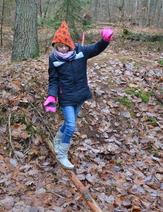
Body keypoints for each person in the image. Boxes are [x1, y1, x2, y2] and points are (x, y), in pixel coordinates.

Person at [43, 21, 113, 169]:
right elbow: (54, 80)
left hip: (80, 95)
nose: (61, 49)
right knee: (70, 126)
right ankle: (62, 154)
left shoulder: (80, 51)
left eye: (63, 46)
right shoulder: (54, 59)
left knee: (70, 122)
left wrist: (105, 40)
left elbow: (96, 48)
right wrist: (51, 96)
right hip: (66, 97)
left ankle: (57, 140)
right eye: (58, 46)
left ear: (69, 43)